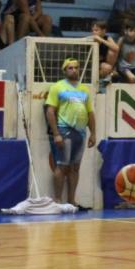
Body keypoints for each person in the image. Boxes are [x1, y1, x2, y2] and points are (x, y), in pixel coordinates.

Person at [45, 58, 96, 206]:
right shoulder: (57, 87)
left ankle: (71, 201)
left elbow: (90, 113)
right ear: (64, 71)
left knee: (75, 167)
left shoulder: (84, 89)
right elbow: (50, 111)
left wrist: (93, 133)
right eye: (70, 68)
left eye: (76, 67)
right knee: (62, 165)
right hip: (64, 130)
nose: (74, 70)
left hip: (80, 133)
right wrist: (56, 134)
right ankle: (57, 200)